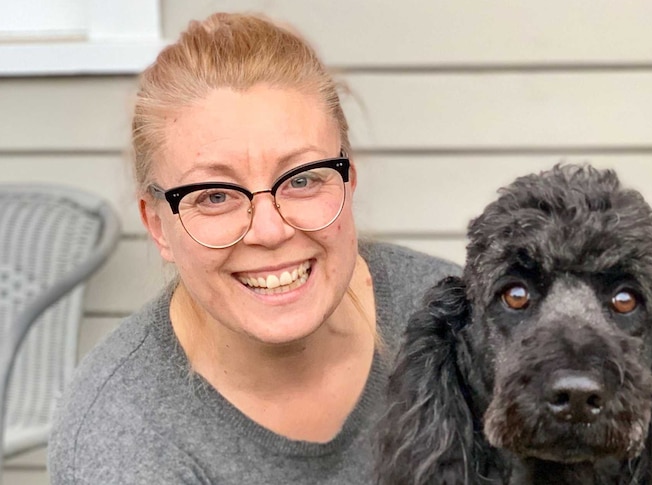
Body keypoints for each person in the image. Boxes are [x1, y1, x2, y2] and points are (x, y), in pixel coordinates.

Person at [47, 12, 459, 484]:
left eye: (302, 179)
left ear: (348, 183)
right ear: (157, 225)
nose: (269, 230)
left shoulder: (461, 322)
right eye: (215, 196)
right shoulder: (120, 433)